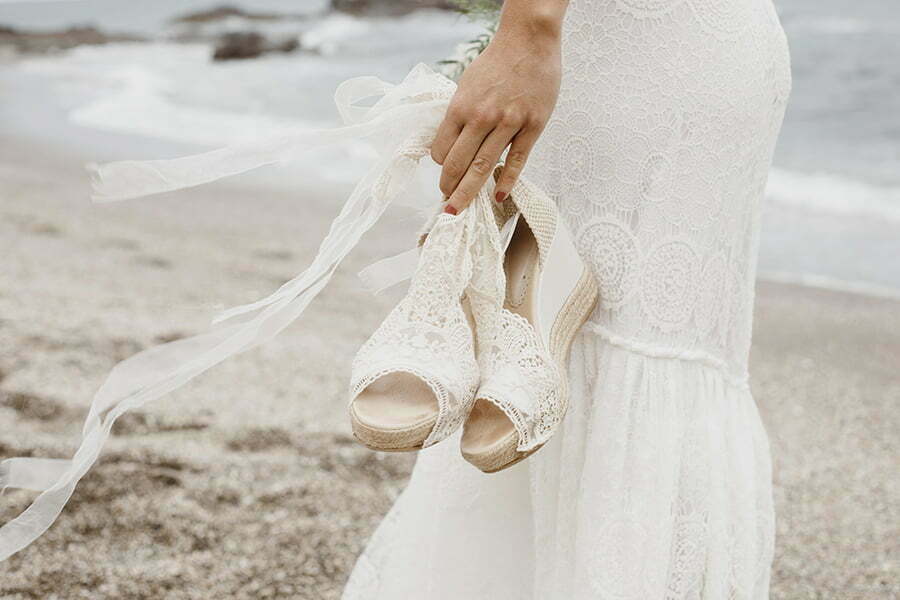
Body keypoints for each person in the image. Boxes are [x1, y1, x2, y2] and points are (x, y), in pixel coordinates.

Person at [342, 0, 792, 598]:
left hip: (660, 53)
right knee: (533, 358)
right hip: (596, 45)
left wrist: (527, 29)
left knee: (643, 341)